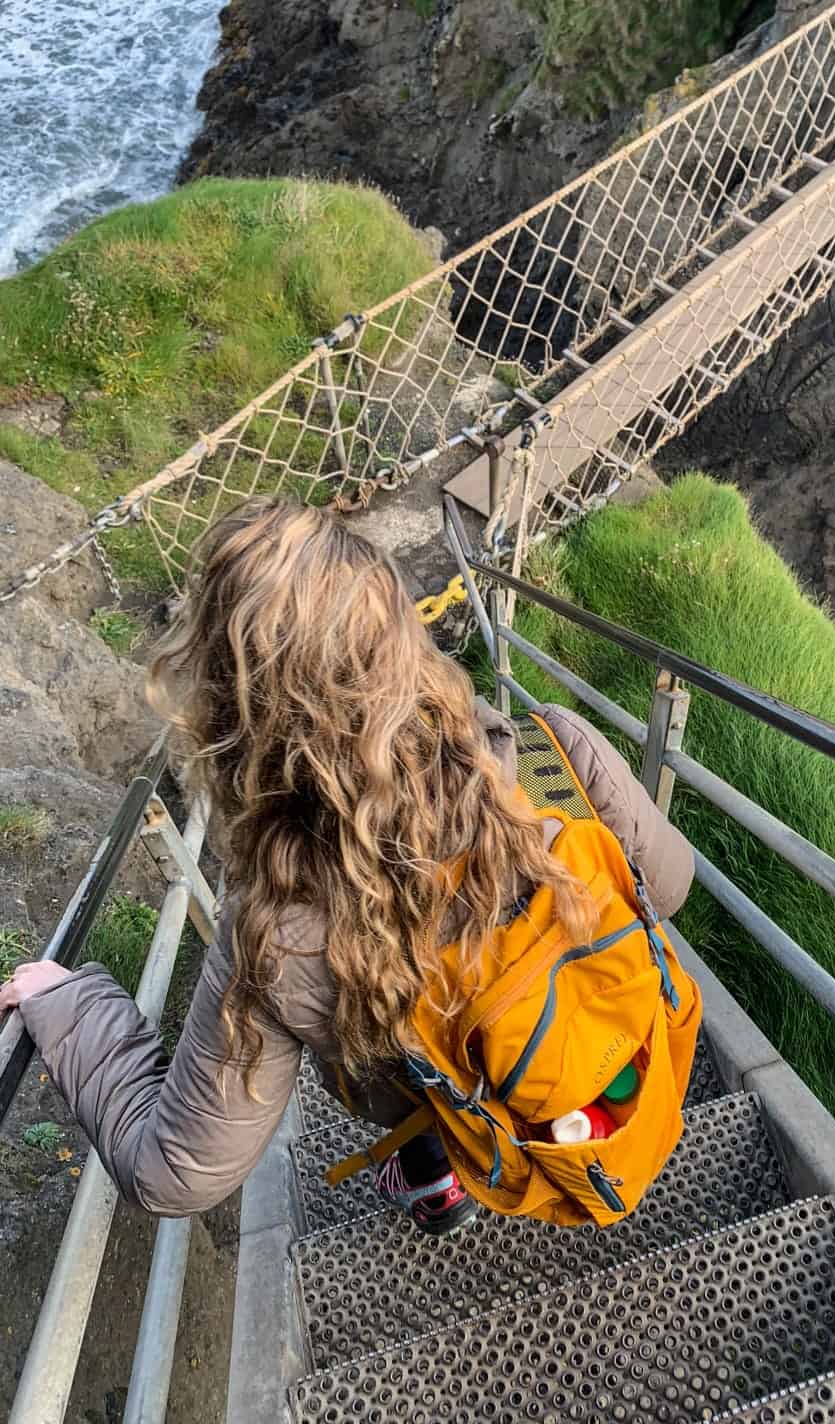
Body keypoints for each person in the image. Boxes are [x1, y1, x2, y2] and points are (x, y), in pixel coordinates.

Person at [0, 499, 693, 1233]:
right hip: (601, 1052)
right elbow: (667, 887)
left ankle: (444, 1164)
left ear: (235, 711)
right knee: (477, 1039)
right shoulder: (558, 754)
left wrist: (68, 1006)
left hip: (426, 1090)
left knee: (424, 1064)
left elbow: (173, 1175)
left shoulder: (281, 934)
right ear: (403, 640)